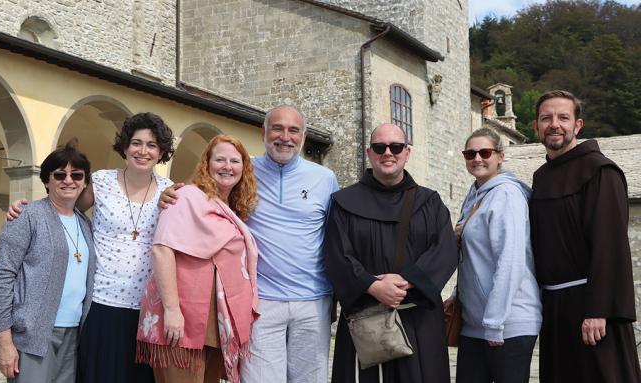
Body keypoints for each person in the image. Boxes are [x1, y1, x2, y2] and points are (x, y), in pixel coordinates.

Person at [160, 105, 339, 382]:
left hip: (313, 301)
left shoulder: (325, 179)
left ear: (303, 136)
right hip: (261, 302)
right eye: (277, 128)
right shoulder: (244, 169)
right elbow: (210, 192)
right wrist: (170, 192)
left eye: (294, 130)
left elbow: (336, 236)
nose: (285, 136)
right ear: (264, 132)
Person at [7, 112, 175, 382]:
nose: (143, 151)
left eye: (152, 145)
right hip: (100, 304)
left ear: (162, 151)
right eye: (136, 142)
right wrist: (25, 209)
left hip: (146, 308)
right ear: (124, 146)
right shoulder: (102, 181)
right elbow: (63, 209)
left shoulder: (170, 191)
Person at [324, 123, 457, 382]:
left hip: (418, 318)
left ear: (407, 152)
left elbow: (445, 250)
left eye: (396, 147)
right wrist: (373, 286)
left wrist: (405, 283)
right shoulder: (343, 202)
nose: (388, 153)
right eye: (379, 147)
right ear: (369, 152)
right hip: (366, 318)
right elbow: (337, 254)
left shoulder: (430, 202)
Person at [529, 90, 641, 382]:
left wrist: (598, 310)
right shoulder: (540, 177)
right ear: (536, 127)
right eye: (546, 118)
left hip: (591, 308)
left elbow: (610, 246)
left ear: (577, 125)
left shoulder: (599, 171)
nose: (555, 124)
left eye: (563, 117)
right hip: (553, 308)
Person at [135, 135, 259, 383]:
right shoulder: (186, 196)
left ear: (243, 169)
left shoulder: (231, 209)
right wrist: (172, 310)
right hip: (182, 317)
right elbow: (162, 249)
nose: (227, 166)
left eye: (235, 161)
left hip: (216, 323)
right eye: (220, 159)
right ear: (206, 163)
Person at [0, 141, 96, 382]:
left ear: (85, 182)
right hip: (32, 335)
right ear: (47, 181)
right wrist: (4, 342)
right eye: (60, 174)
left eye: (77, 174)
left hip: (73, 335)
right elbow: (2, 278)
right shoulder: (27, 216)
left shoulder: (85, 224)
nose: (68, 180)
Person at [444, 128, 541, 383]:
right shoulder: (476, 194)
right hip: (476, 323)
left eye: (485, 152)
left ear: (500, 156)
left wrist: (495, 323)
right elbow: (477, 259)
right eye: (470, 153)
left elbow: (510, 261)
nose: (477, 158)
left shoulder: (506, 195)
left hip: (507, 323)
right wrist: (458, 296)